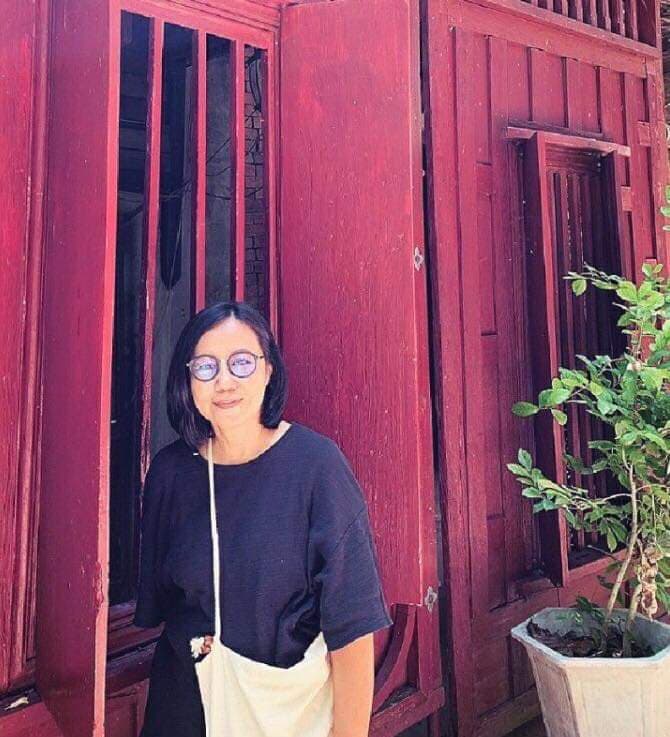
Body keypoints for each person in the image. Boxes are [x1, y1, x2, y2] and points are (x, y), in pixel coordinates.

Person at [134, 301, 393, 737]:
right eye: (206, 367)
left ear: (269, 370)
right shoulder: (170, 473)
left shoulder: (316, 467)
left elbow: (352, 628)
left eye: (242, 362)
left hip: (284, 714)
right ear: (187, 379)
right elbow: (164, 601)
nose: (224, 381)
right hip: (183, 710)